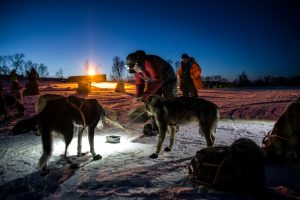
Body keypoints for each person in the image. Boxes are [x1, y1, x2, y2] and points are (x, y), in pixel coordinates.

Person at [126, 50, 177, 135]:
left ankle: (173, 124)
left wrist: (146, 94)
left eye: (133, 67)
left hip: (168, 79)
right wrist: (138, 95)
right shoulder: (136, 71)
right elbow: (139, 83)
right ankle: (155, 127)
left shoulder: (149, 63)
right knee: (152, 102)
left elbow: (158, 80)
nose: (134, 70)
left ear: (137, 62)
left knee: (169, 101)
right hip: (155, 79)